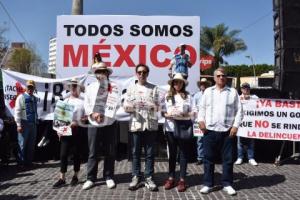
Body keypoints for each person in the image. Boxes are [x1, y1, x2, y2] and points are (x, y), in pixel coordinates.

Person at [198, 67, 243, 196]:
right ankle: (208, 184)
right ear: (214, 78)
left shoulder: (233, 92)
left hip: (227, 131)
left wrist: (235, 126)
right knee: (208, 159)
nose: (221, 78)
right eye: (218, 76)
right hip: (210, 131)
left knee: (228, 159)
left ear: (226, 77)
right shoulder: (207, 91)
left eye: (223, 75)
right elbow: (201, 108)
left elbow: (239, 110)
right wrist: (201, 121)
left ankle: (227, 184)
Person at [82, 62, 119, 190]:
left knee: (110, 151)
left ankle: (108, 176)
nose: (101, 74)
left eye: (103, 71)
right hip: (93, 123)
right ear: (95, 74)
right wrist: (93, 114)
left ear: (107, 73)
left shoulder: (113, 87)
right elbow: (86, 104)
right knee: (93, 152)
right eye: (98, 72)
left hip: (109, 123)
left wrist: (105, 114)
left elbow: (116, 104)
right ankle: (91, 178)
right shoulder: (90, 87)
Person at [123, 63, 160, 191]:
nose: (142, 74)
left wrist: (152, 106)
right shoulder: (130, 88)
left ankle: (149, 177)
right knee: (135, 153)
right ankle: (136, 177)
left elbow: (158, 107)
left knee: (150, 154)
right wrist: (132, 107)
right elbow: (126, 107)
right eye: (139, 72)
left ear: (147, 74)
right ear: (136, 74)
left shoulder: (154, 88)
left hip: (150, 125)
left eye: (144, 72)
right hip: (136, 124)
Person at [162, 73, 193, 192]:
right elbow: (161, 111)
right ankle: (171, 177)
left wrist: (185, 114)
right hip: (170, 128)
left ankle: (182, 180)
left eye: (179, 82)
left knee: (184, 154)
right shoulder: (167, 96)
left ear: (183, 84)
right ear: (172, 83)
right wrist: (166, 115)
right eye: (175, 82)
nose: (177, 84)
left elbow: (194, 112)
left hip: (184, 127)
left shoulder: (188, 96)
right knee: (172, 154)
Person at [53, 78, 86, 188]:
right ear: (69, 88)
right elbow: (59, 119)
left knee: (76, 154)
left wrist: (77, 122)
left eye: (75, 86)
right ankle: (62, 178)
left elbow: (86, 118)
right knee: (63, 155)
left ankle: (75, 176)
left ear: (78, 88)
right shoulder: (64, 101)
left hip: (77, 131)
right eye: (72, 86)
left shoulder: (83, 102)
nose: (73, 88)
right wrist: (58, 130)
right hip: (66, 132)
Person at [14, 80, 38, 166]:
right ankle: (21, 163)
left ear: (34, 88)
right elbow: (17, 111)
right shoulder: (21, 97)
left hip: (33, 124)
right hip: (24, 124)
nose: (30, 89)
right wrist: (18, 125)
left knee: (31, 145)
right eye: (29, 87)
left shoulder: (34, 98)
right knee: (22, 144)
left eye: (32, 87)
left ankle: (29, 162)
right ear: (26, 87)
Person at [234, 82, 258, 166]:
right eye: (244, 88)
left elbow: (261, 104)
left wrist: (250, 99)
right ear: (241, 89)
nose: (246, 89)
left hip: (251, 123)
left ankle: (251, 158)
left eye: (247, 88)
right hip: (240, 122)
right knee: (239, 141)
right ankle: (240, 157)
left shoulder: (254, 97)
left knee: (251, 141)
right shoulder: (238, 98)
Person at [192, 78, 210, 165]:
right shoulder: (196, 95)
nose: (203, 85)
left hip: (209, 119)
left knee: (209, 139)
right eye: (202, 84)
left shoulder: (210, 94)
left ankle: (208, 157)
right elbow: (194, 107)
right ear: (200, 85)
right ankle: (200, 157)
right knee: (199, 140)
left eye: (205, 84)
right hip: (199, 120)